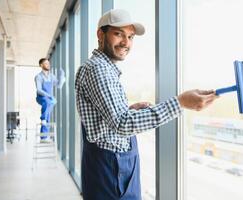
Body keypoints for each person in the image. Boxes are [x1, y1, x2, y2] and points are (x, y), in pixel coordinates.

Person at [75, 9, 217, 200]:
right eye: (119, 34)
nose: (126, 43)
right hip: (111, 170)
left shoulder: (103, 68)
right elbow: (122, 124)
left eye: (130, 37)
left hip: (110, 166)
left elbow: (107, 118)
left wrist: (128, 110)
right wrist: (180, 102)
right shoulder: (98, 69)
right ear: (101, 34)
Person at [35, 58, 65, 141]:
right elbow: (39, 90)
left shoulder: (51, 76)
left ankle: (44, 137)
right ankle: (43, 118)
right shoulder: (38, 77)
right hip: (41, 97)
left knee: (48, 114)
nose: (48, 65)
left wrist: (62, 76)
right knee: (47, 103)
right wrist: (48, 95)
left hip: (49, 99)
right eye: (46, 63)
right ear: (41, 65)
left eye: (48, 63)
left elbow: (59, 85)